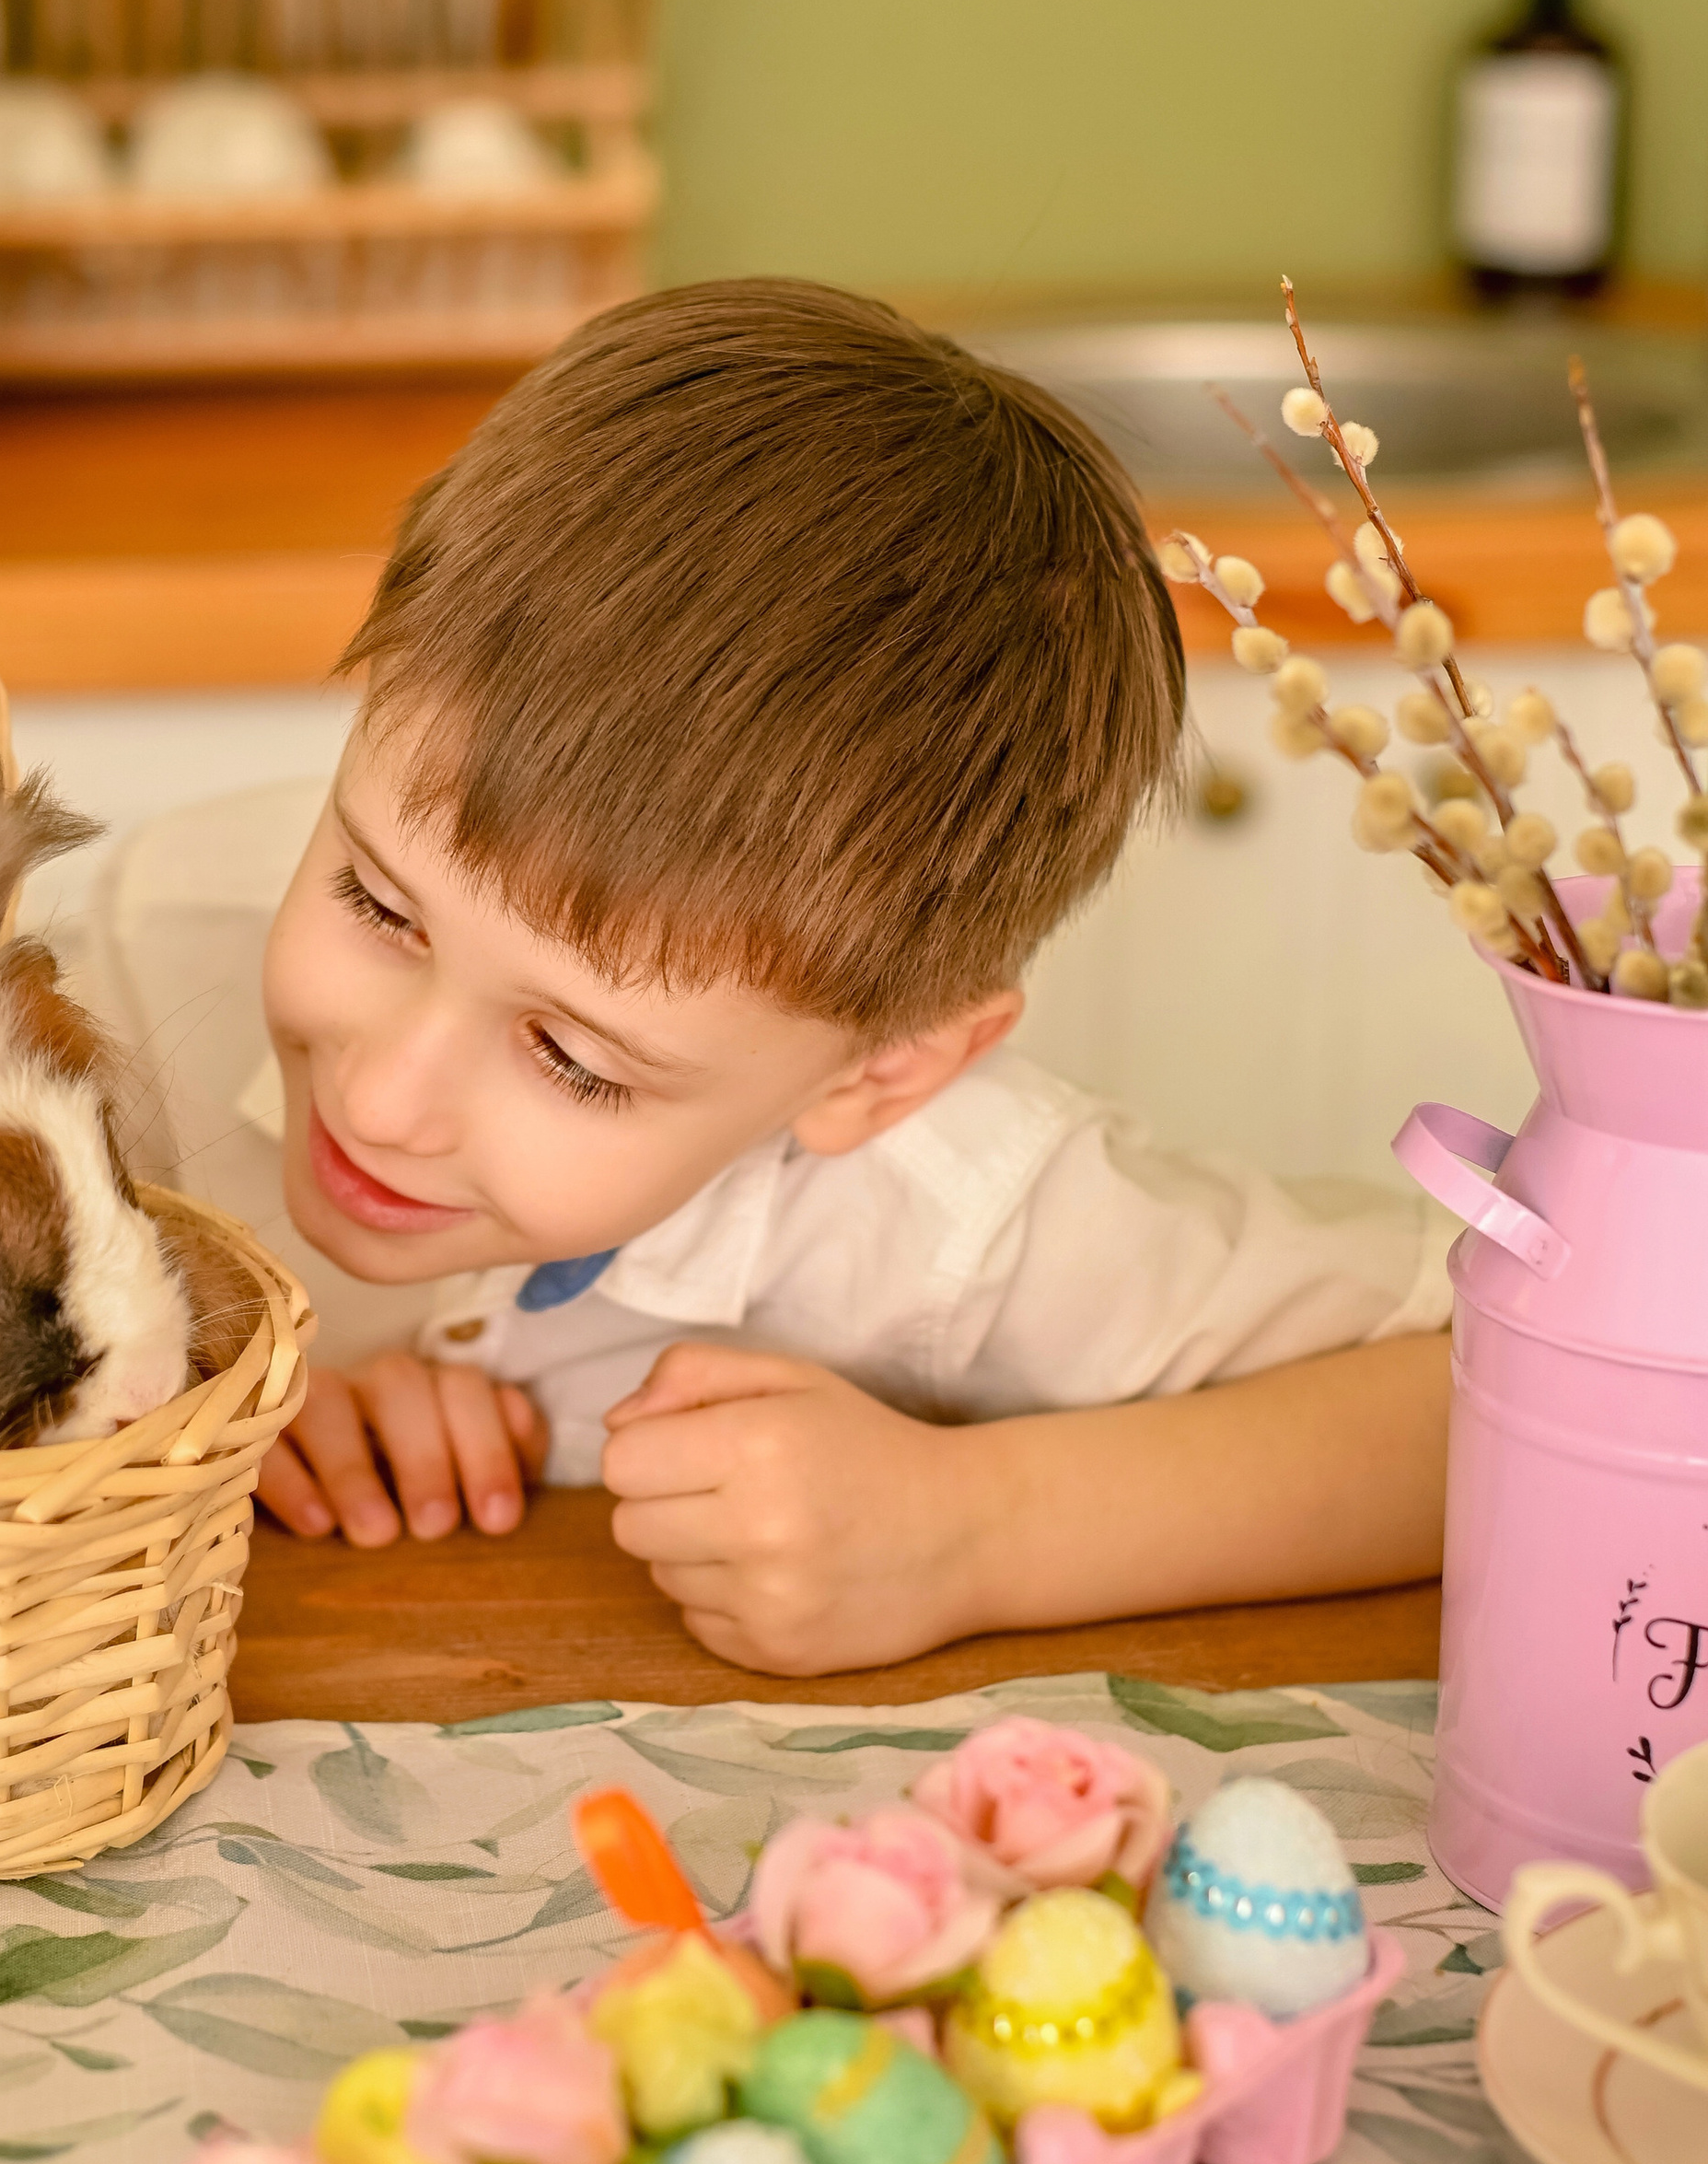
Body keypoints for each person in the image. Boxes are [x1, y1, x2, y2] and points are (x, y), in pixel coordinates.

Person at [75, 280, 1448, 1680]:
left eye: (573, 1059)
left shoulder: (952, 1208)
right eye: (377, 903)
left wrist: (975, 1529)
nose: (379, 1095)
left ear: (882, 1072)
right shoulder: (124, 962)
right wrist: (159, 1429)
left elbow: (1516, 1392)